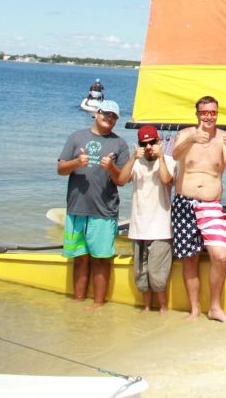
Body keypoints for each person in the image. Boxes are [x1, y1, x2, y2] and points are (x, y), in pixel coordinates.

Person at [57, 100, 129, 308]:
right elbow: (61, 169)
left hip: (104, 211)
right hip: (76, 209)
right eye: (106, 113)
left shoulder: (120, 144)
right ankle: (78, 301)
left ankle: (98, 305)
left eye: (113, 116)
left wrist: (111, 167)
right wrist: (77, 162)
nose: (109, 118)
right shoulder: (76, 137)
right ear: (96, 113)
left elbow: (122, 180)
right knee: (79, 258)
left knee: (101, 259)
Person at [171, 95, 226, 322]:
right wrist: (191, 140)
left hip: (211, 205)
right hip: (184, 203)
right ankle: (194, 309)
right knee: (189, 258)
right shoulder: (185, 134)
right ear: (197, 114)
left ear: (217, 114)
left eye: (213, 112)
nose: (209, 117)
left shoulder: (223, 137)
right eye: (204, 112)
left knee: (219, 255)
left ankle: (215, 308)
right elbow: (174, 155)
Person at [118, 124, 176, 313]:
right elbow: (121, 180)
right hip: (138, 228)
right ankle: (146, 308)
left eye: (152, 143)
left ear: (159, 141)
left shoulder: (169, 160)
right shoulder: (136, 162)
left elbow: (166, 180)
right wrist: (133, 157)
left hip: (160, 229)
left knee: (157, 275)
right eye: (144, 144)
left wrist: (161, 157)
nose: (149, 147)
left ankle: (164, 308)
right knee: (141, 275)